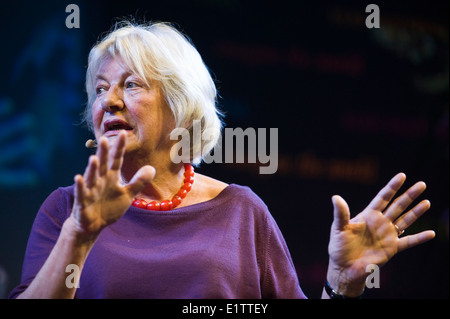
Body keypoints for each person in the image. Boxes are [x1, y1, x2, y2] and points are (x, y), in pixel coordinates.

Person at [9, 21, 435, 299]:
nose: (110, 101)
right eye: (99, 89)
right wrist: (80, 235)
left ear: (180, 104)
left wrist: (341, 283)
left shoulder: (241, 211)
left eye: (132, 85)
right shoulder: (65, 210)